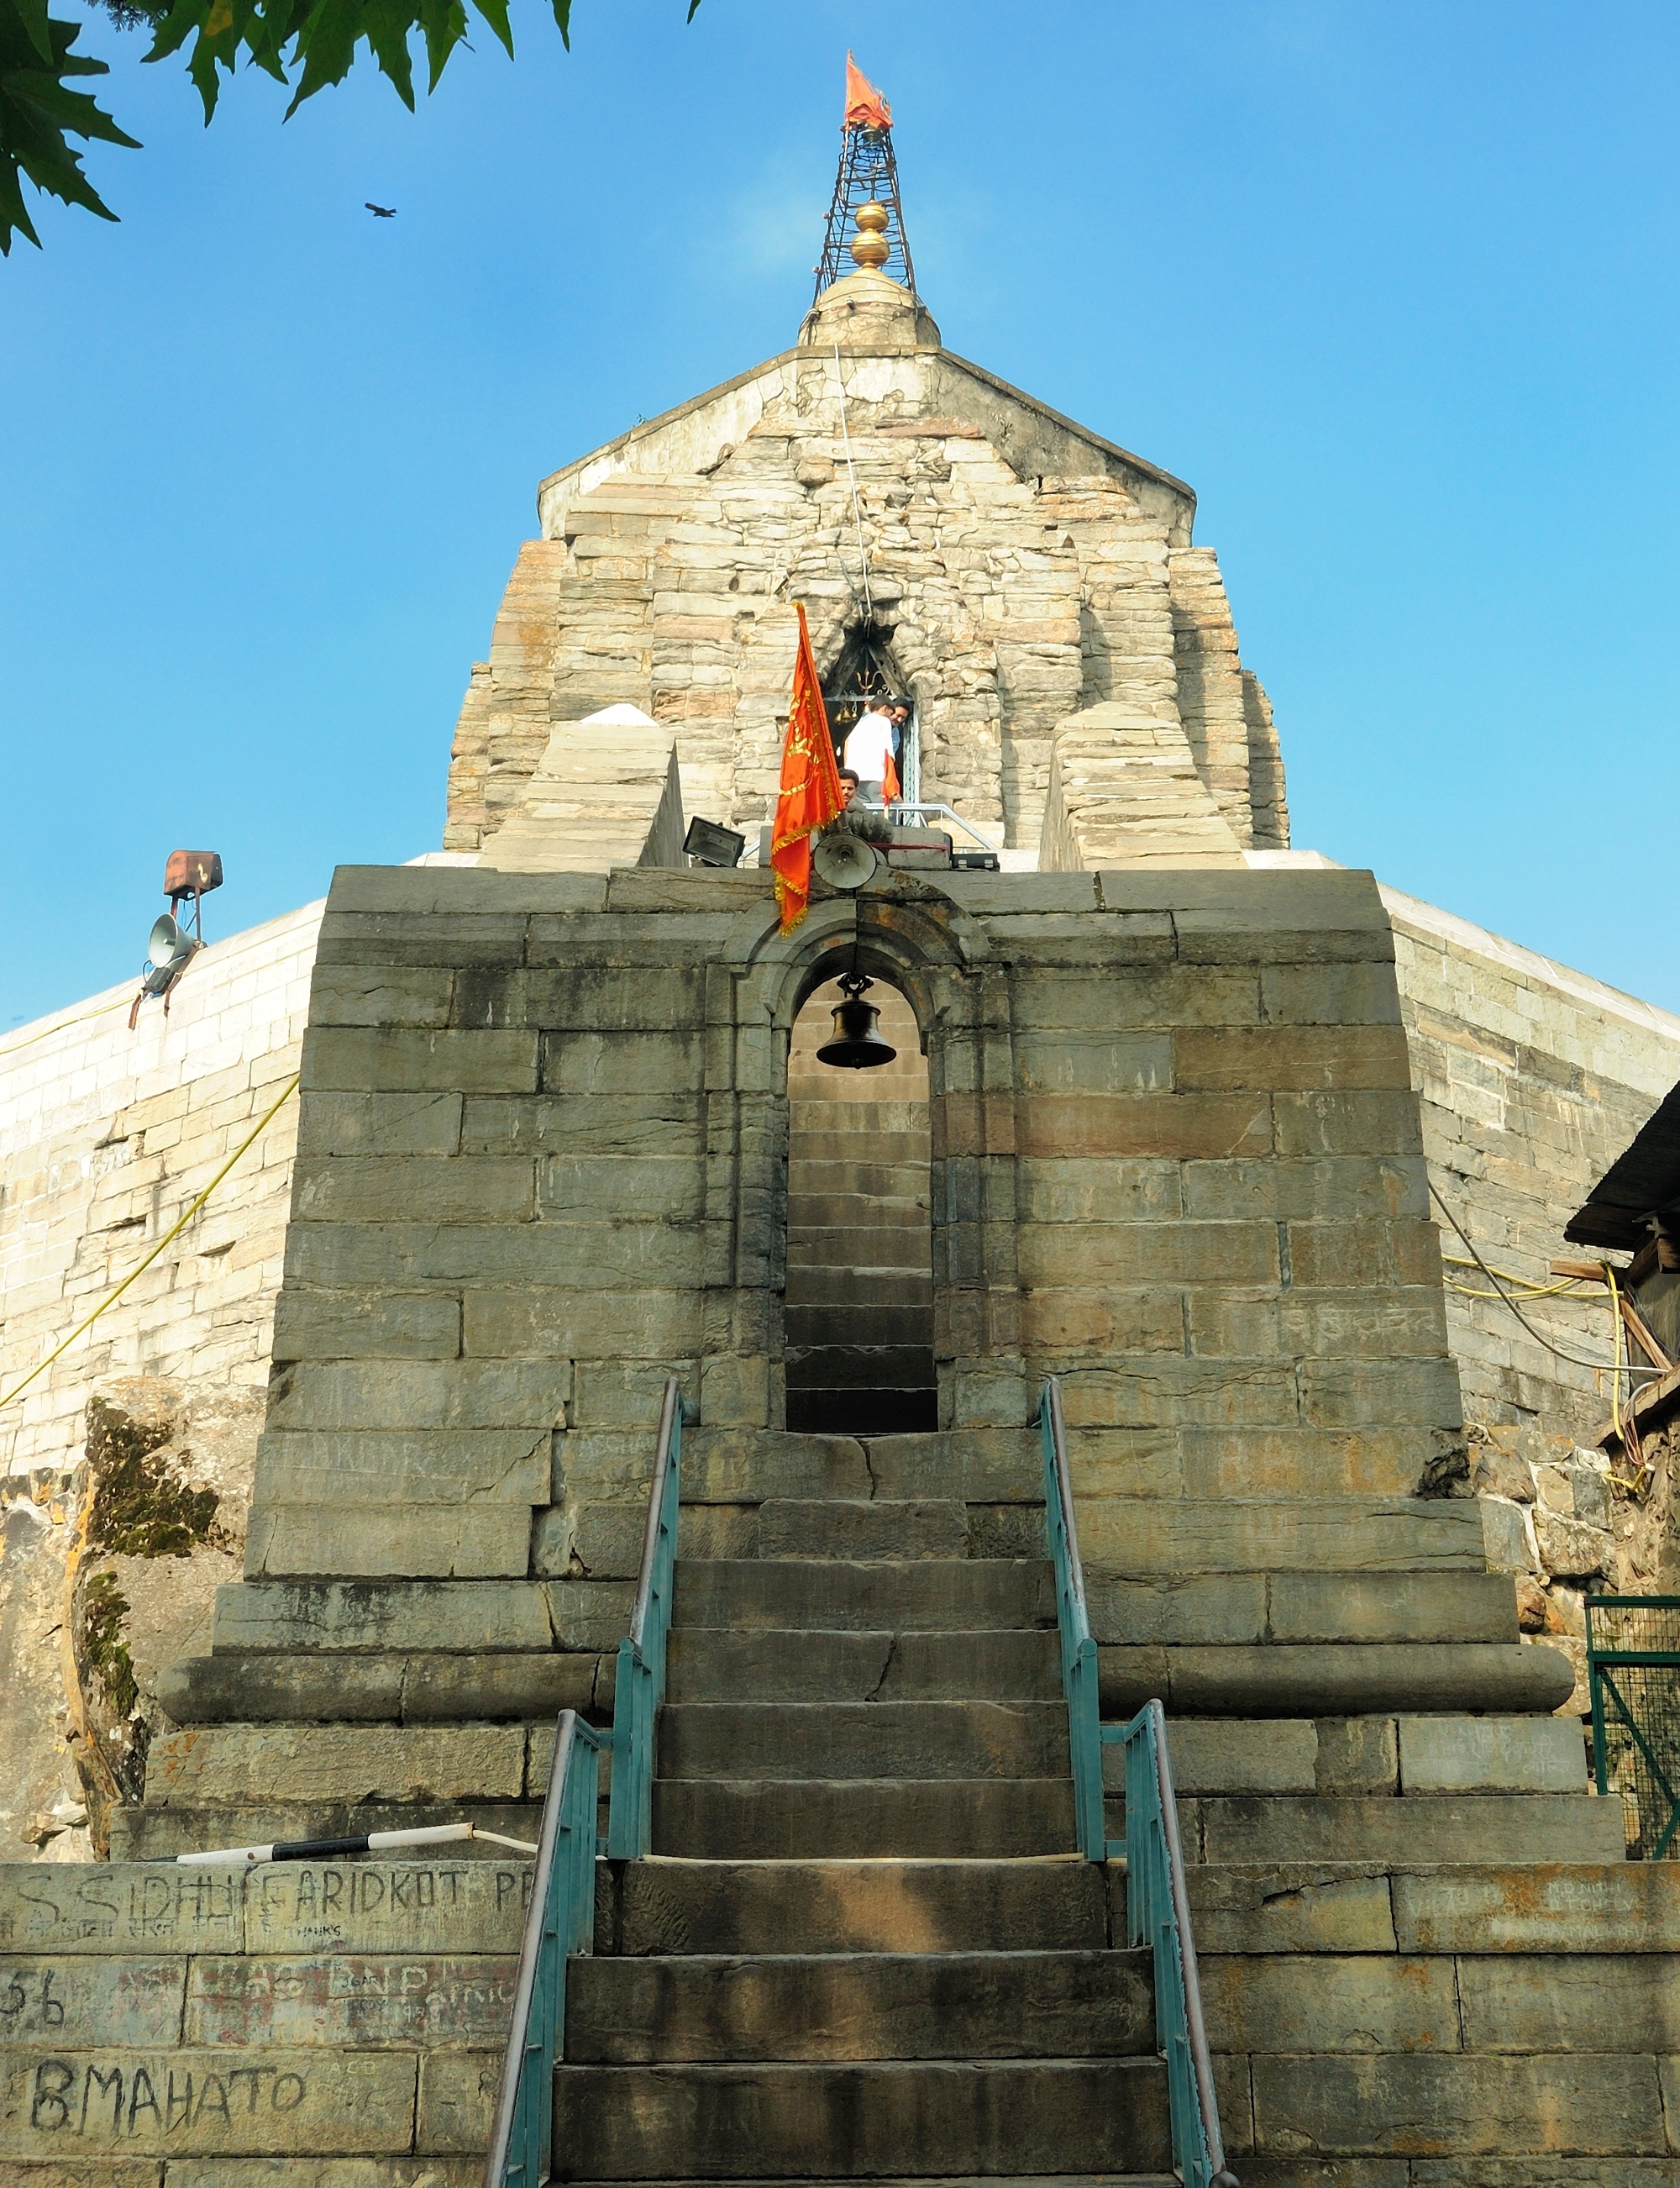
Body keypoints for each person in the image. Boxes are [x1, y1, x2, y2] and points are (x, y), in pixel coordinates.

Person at [842, 698, 897, 806]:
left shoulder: (862, 722)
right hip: (876, 778)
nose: (890, 718)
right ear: (885, 708)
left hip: (857, 780)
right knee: (885, 817)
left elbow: (847, 744)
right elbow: (887, 753)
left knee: (863, 815)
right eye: (890, 714)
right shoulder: (884, 721)